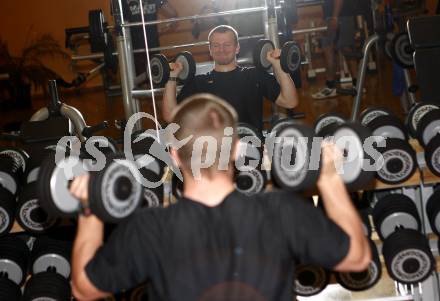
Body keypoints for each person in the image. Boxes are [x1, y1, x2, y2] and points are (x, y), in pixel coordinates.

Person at [70, 93, 371, 301]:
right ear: (239, 150)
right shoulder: (282, 211)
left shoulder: (148, 229)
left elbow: (84, 289)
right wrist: (330, 179)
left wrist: (89, 209)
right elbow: (357, 257)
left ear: (174, 156)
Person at [162, 25, 299, 133]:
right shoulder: (199, 82)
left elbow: (290, 101)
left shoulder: (254, 75)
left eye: (227, 44)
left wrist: (278, 65)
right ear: (210, 49)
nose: (221, 49)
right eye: (216, 45)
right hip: (214, 156)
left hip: (250, 150)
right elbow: (171, 116)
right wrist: (171, 78)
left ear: (237, 48)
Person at [312, 0, 371, 99]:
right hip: (340, 16)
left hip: (337, 17)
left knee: (328, 48)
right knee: (347, 49)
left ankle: (330, 87)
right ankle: (358, 85)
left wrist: (334, 17)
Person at [123, 0, 178, 75]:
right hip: (137, 47)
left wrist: (162, 29)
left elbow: (173, 14)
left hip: (145, 46)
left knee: (152, 76)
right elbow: (173, 14)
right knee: (149, 77)